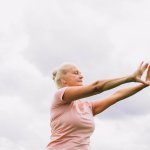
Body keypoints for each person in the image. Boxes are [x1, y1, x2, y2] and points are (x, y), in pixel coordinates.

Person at [46, 62, 150, 150]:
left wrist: (143, 85)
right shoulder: (59, 96)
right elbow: (96, 87)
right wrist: (129, 78)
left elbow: (117, 95)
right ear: (63, 79)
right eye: (76, 73)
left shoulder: (87, 107)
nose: (81, 76)